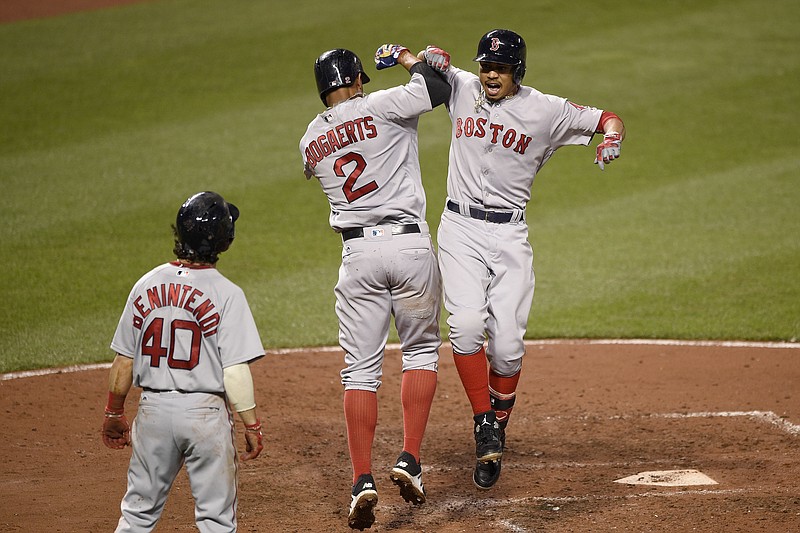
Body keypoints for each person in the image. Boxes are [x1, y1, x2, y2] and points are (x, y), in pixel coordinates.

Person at [418, 29, 626, 490]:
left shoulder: (546, 110)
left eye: (501, 68)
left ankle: (498, 426)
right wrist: (415, 56)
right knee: (467, 325)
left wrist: (611, 138)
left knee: (509, 350)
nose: (491, 74)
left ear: (518, 72)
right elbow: (430, 65)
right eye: (486, 66)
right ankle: (483, 423)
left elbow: (607, 118)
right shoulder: (462, 87)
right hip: (460, 229)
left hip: (510, 234)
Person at [299, 45, 450, 530]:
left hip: (357, 257)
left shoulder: (310, 139)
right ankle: (409, 458)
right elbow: (439, 87)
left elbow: (328, 155)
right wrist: (412, 59)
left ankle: (361, 479)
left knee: (360, 372)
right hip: (408, 248)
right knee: (420, 354)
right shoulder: (383, 103)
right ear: (358, 79)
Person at [101, 191, 266, 532]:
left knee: (136, 515)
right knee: (216, 520)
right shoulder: (227, 293)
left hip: (153, 414)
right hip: (203, 416)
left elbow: (123, 362)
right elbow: (234, 371)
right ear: (225, 240)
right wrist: (251, 425)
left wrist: (114, 413)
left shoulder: (145, 284)